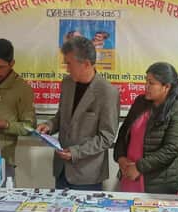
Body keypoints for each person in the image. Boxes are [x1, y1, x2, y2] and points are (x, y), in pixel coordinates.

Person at [37, 36, 120, 190]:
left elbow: (106, 137)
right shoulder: (67, 83)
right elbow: (61, 116)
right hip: (61, 169)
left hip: (87, 175)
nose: (67, 69)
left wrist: (76, 152)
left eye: (69, 64)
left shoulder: (107, 92)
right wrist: (48, 126)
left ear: (86, 64)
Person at [114, 62, 178, 194]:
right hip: (129, 175)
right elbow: (124, 132)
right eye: (146, 81)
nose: (146, 86)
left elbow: (171, 149)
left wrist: (139, 167)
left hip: (157, 183)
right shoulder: (140, 102)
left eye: (151, 83)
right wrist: (121, 158)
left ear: (166, 86)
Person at [0, 39, 36, 182]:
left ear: (12, 63)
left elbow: (30, 127)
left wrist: (7, 125)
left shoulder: (22, 89)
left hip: (2, 161)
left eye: (1, 67)